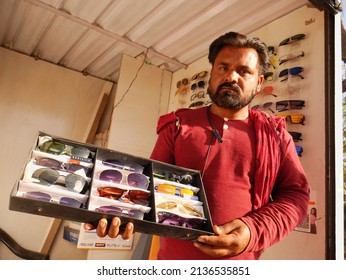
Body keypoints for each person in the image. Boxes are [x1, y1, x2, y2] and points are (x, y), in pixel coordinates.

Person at [85, 31, 310, 260]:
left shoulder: (275, 135)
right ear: (212, 73)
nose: (231, 77)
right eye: (223, 67)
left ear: (259, 82)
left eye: (244, 71)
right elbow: (147, 188)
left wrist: (253, 230)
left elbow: (296, 196)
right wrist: (119, 212)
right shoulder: (177, 126)